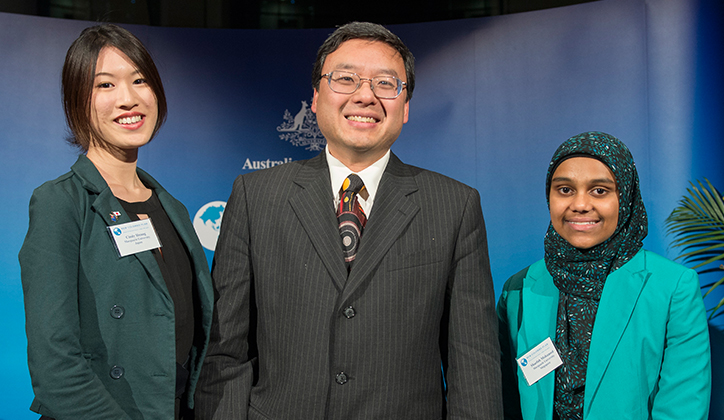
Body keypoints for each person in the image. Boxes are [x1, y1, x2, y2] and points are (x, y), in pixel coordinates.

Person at [195, 22, 503, 419]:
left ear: (405, 106)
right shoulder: (256, 196)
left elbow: (473, 360)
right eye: (346, 79)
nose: (365, 95)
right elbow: (225, 352)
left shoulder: (454, 206)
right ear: (316, 95)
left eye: (386, 83)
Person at [19, 24, 214, 419]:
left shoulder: (171, 207)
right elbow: (55, 363)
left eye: (140, 80)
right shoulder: (60, 202)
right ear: (78, 100)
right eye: (105, 85)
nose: (128, 99)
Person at [497, 131, 711, 420]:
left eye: (599, 190)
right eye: (564, 190)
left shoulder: (672, 287)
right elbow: (505, 400)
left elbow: (682, 406)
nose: (580, 204)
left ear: (625, 197)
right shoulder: (519, 288)